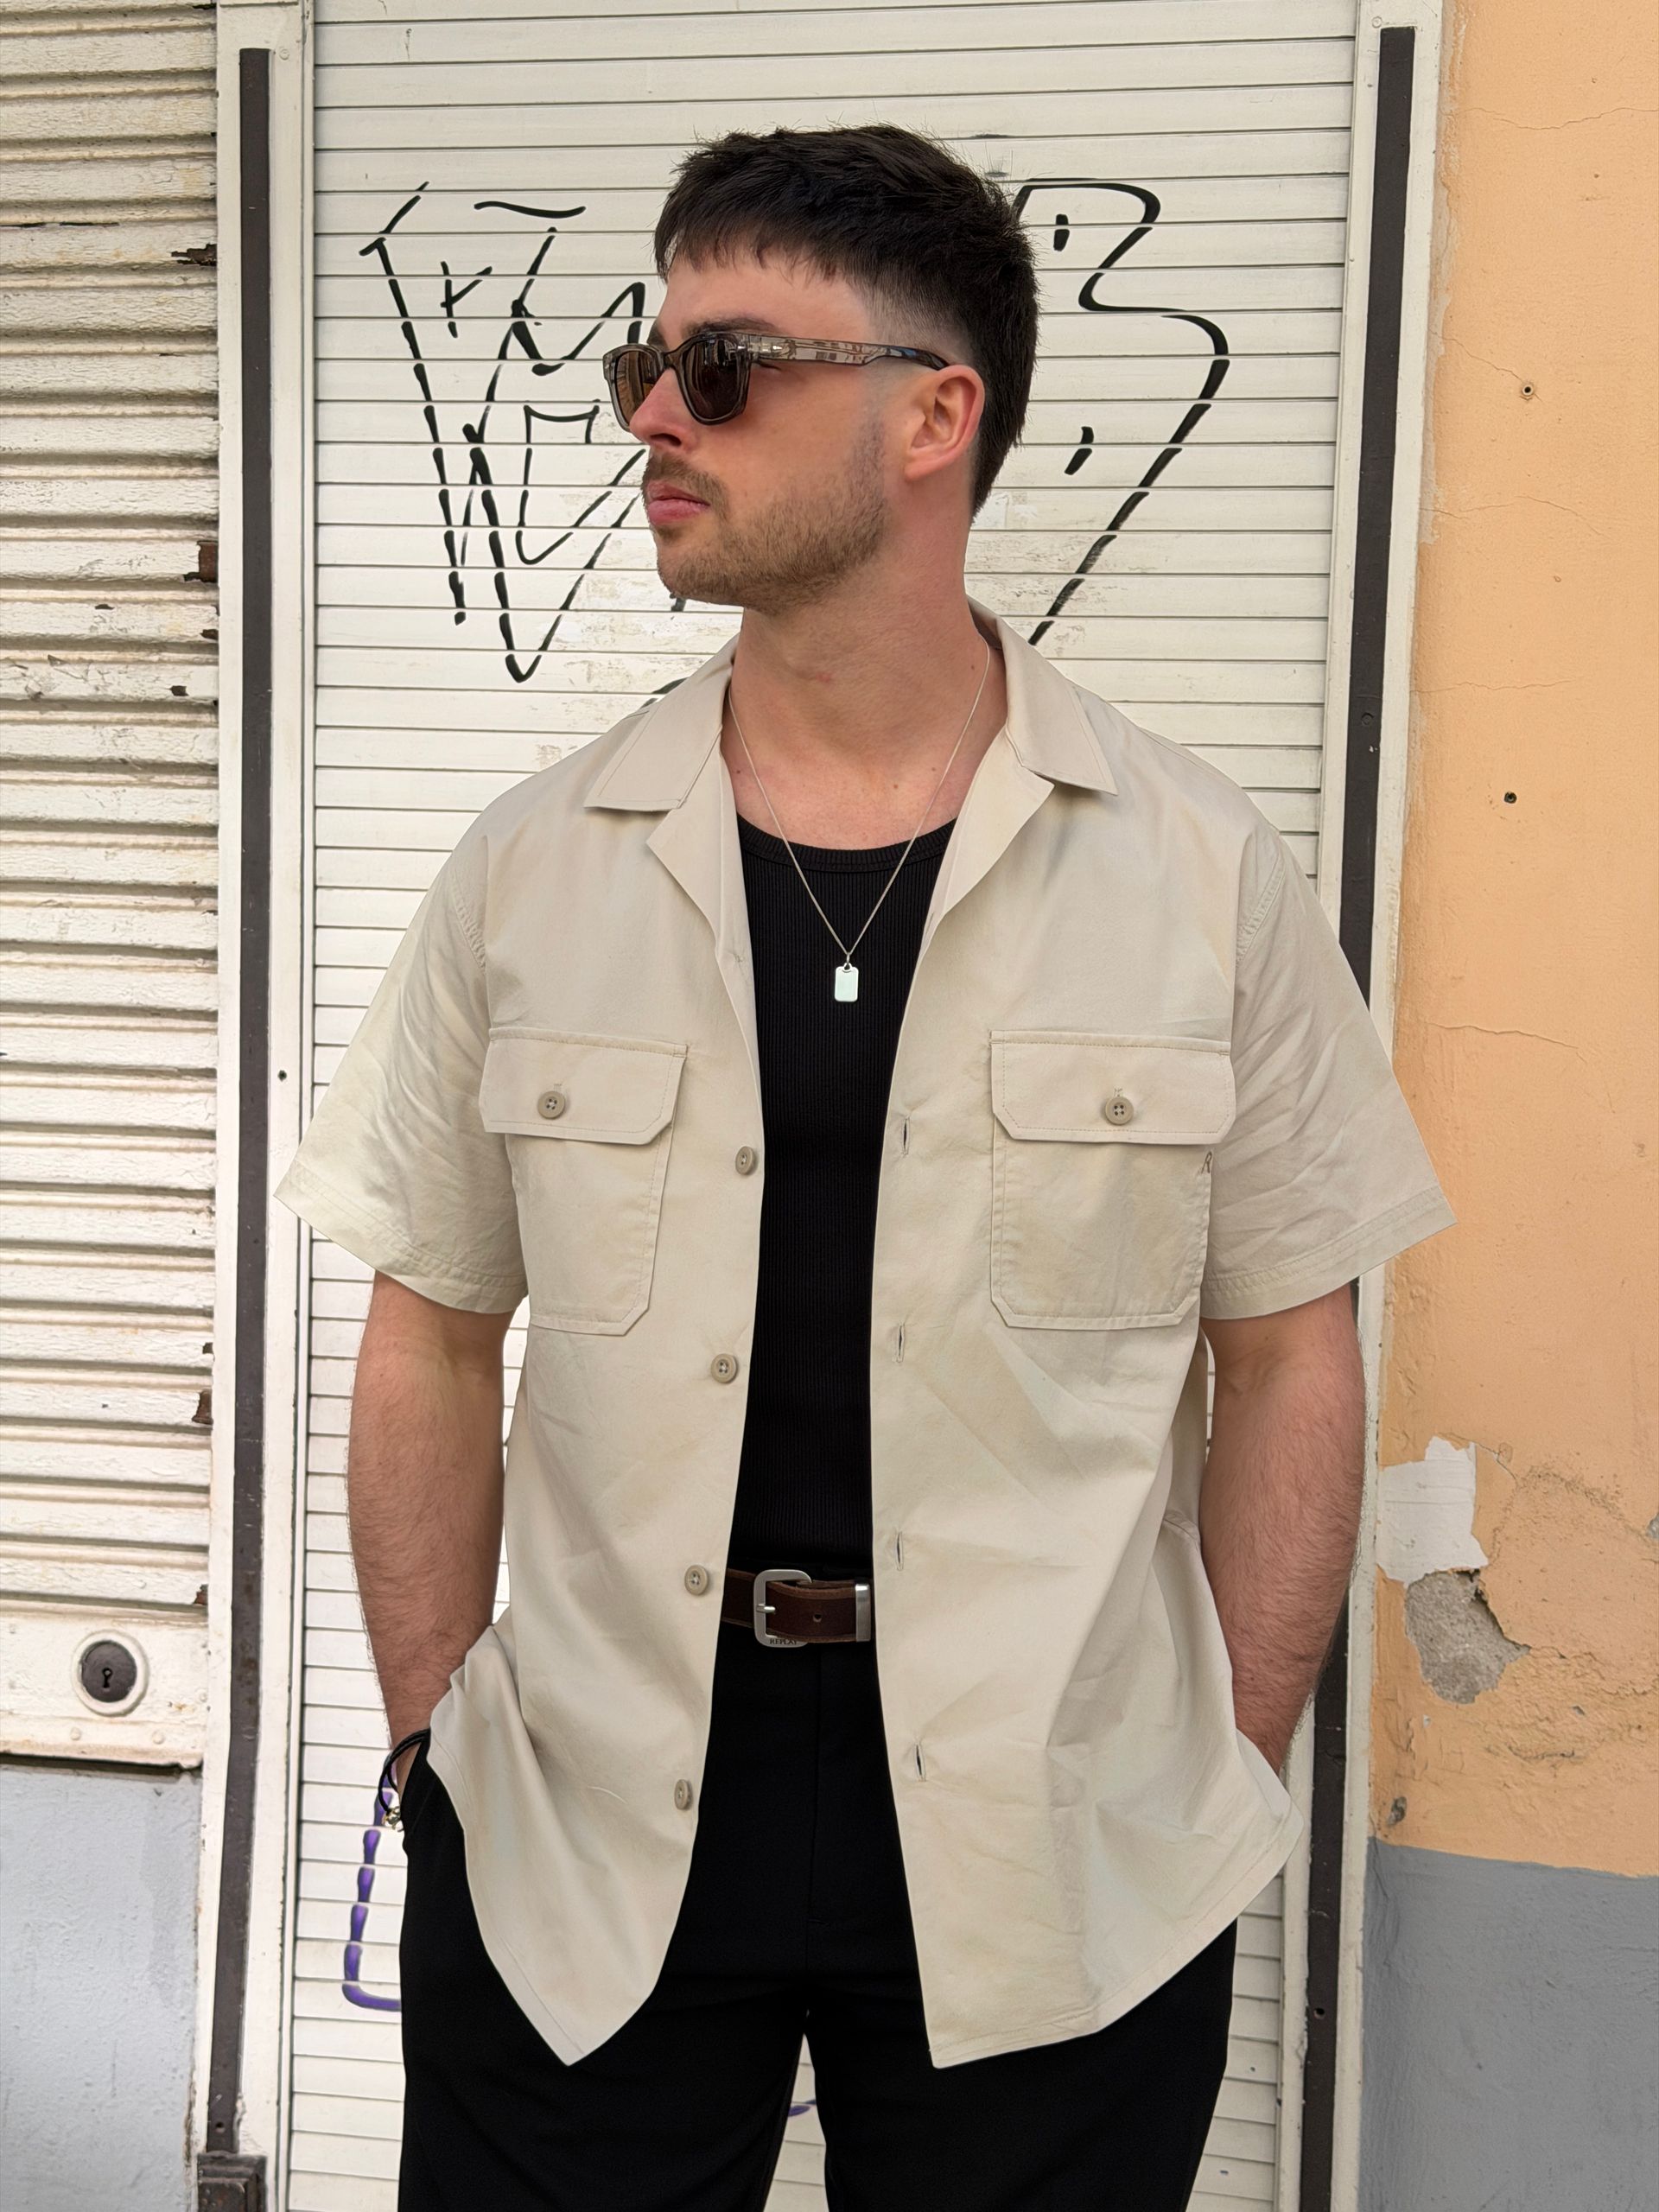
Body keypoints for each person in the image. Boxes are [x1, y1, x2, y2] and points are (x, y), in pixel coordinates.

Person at [276, 123, 1456, 2210]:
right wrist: (441, 1747)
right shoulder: (535, 871)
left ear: (934, 414)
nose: (654, 413)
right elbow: (432, 1333)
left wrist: (1222, 1760)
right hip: (589, 1818)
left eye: (724, 365)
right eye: (647, 360)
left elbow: (1291, 1346)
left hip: (1060, 1828)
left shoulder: (1197, 875)